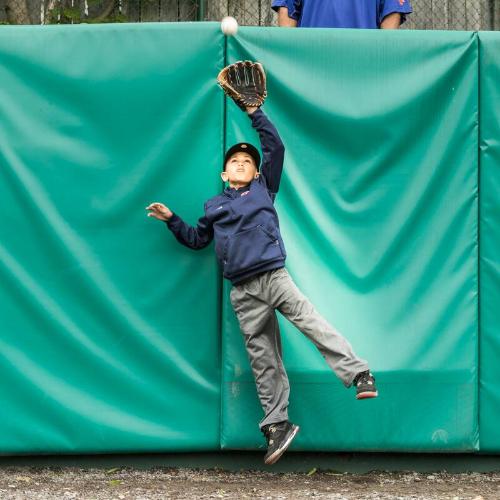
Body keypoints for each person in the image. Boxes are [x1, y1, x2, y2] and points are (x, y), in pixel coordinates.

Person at [146, 74, 377, 465]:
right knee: (261, 356)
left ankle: (359, 374)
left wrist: (254, 112)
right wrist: (171, 219)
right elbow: (197, 240)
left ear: (256, 173)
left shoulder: (263, 188)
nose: (241, 163)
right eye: (234, 161)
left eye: (247, 161)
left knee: (310, 322)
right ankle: (277, 425)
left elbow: (276, 146)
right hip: (242, 291)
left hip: (274, 276)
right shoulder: (213, 207)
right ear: (224, 174)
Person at [272, 0, 412, 29]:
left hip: (364, 58)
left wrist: (381, 56)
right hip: (311, 57)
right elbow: (287, 8)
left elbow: (391, 11)